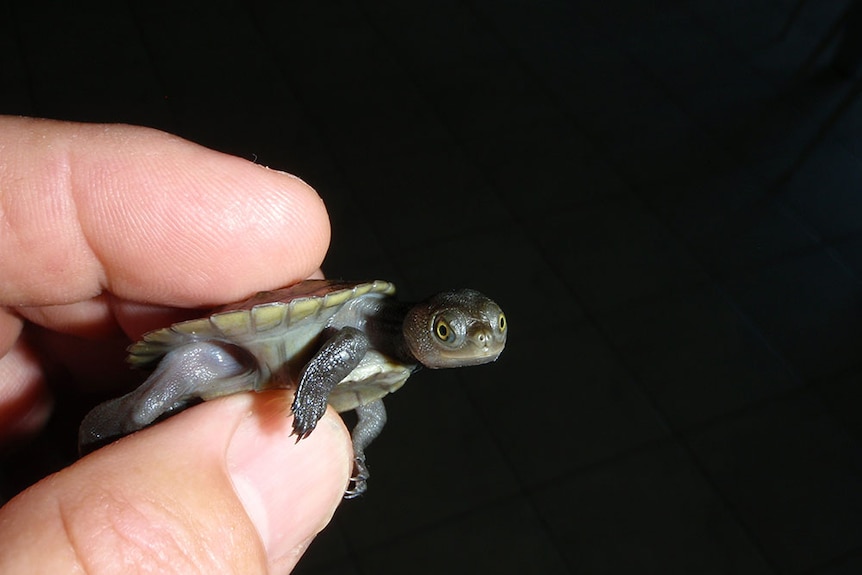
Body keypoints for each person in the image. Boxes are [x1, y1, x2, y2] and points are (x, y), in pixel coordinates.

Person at [0, 116, 352, 573]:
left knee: (166, 416)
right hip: (215, 353)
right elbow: (345, 342)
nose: (477, 342)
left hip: (245, 376)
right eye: (446, 330)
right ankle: (101, 438)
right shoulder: (359, 324)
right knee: (147, 408)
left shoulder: (389, 367)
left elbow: (370, 408)